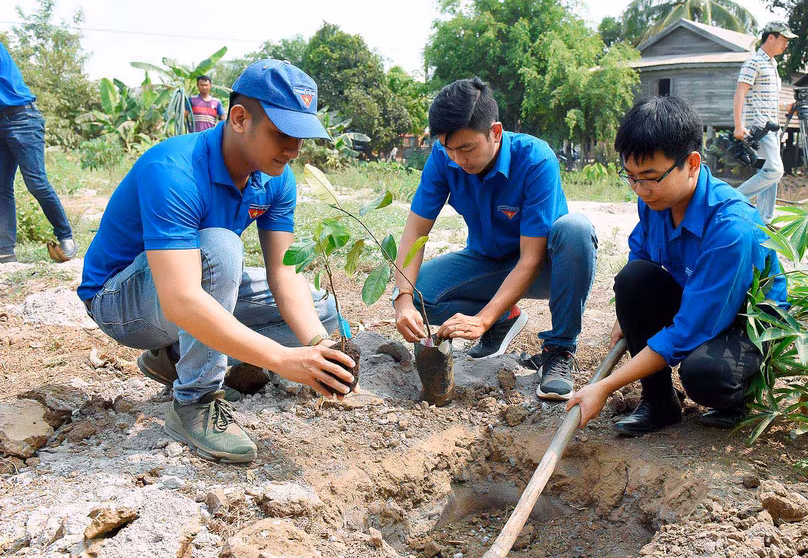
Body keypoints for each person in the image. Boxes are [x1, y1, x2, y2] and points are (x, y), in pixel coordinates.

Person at [78, 60, 356, 464]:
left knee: (321, 313)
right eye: (283, 133)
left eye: (302, 136)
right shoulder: (173, 170)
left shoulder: (276, 178)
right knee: (221, 248)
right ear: (239, 119)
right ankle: (195, 401)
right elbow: (181, 300)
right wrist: (282, 359)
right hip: (121, 301)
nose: (294, 150)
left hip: (185, 286)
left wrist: (317, 346)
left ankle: (174, 358)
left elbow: (283, 272)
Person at [566, 95, 789, 435]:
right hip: (697, 298)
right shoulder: (655, 200)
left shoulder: (732, 228)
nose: (640, 189)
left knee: (704, 374)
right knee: (633, 280)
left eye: (649, 177)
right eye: (631, 177)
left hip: (747, 321)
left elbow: (690, 329)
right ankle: (659, 403)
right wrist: (627, 316)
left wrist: (605, 386)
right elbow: (641, 256)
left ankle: (736, 397)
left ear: (692, 163)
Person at [392, 77, 597, 401]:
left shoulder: (535, 160)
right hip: (488, 263)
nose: (457, 159)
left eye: (467, 148)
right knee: (420, 296)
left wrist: (480, 319)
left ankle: (559, 350)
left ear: (496, 132)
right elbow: (416, 231)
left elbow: (530, 259)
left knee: (576, 230)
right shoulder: (443, 158)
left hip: (547, 267)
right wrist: (402, 298)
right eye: (449, 149)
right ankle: (504, 319)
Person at [0, 41, 77, 264]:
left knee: (36, 182)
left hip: (22, 119)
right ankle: (5, 251)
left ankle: (66, 236)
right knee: (1, 187)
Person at [733, 21, 798, 224]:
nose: (786, 44)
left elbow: (766, 98)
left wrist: (786, 106)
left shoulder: (772, 64)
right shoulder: (754, 62)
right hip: (759, 127)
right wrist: (738, 125)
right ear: (771, 37)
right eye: (784, 39)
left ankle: (764, 220)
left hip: (772, 126)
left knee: (768, 172)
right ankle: (732, 200)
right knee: (775, 170)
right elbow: (740, 93)